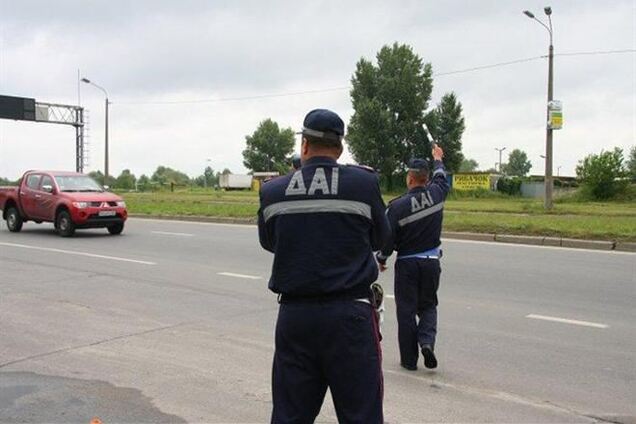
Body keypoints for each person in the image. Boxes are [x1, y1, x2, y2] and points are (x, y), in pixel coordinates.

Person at [258, 108, 390, 423]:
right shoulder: (363, 183)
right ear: (340, 148)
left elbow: (270, 242)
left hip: (295, 319)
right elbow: (381, 239)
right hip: (351, 319)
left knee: (290, 416)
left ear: (304, 146)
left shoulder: (272, 191)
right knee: (361, 416)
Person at [376, 145, 449, 370]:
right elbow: (441, 176)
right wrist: (438, 158)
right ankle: (427, 342)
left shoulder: (397, 207)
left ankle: (409, 361)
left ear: (409, 178)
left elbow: (387, 239)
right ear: (425, 179)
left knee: (406, 312)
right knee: (428, 306)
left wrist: (382, 259)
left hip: (407, 265)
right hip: (431, 263)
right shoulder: (437, 192)